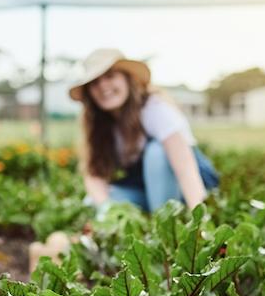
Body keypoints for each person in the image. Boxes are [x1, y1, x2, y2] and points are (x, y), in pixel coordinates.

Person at [70, 48, 219, 215]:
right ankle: (148, 217)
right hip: (148, 190)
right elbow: (94, 174)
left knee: (156, 152)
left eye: (110, 76)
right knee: (93, 201)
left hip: (189, 188)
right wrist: (106, 210)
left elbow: (186, 170)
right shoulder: (100, 124)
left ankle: (163, 222)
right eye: (95, 82)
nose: (103, 85)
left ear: (127, 79)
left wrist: (200, 218)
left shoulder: (154, 108)